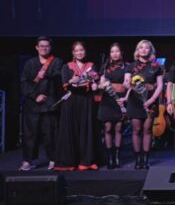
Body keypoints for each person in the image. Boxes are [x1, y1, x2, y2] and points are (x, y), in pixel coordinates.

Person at [19, 36, 63, 171]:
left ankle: (53, 159)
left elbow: (59, 78)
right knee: (30, 134)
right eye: (41, 46)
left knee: (50, 134)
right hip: (32, 104)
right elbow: (24, 82)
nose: (44, 48)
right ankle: (28, 160)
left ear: (51, 47)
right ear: (37, 48)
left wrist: (46, 75)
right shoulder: (30, 63)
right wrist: (35, 96)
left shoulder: (57, 62)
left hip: (49, 104)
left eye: (47, 46)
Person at [53, 41, 97, 171]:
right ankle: (69, 162)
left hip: (86, 101)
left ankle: (86, 161)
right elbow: (65, 83)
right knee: (70, 130)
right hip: (71, 101)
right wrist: (71, 81)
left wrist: (94, 84)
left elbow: (93, 80)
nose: (79, 52)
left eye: (81, 50)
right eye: (76, 50)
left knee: (86, 130)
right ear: (73, 53)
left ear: (85, 51)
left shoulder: (91, 66)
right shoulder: (67, 66)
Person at [124, 39, 163, 169]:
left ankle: (145, 160)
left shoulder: (156, 66)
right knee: (136, 130)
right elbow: (126, 82)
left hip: (150, 101)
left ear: (150, 50)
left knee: (147, 130)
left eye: (146, 48)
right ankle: (137, 159)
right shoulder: (131, 66)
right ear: (137, 50)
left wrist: (151, 100)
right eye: (141, 48)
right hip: (134, 101)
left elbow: (160, 86)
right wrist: (127, 84)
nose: (144, 50)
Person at [97, 43, 128, 169]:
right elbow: (100, 84)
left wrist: (124, 96)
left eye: (117, 51)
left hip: (120, 99)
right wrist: (101, 85)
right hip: (107, 100)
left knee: (119, 128)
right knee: (108, 128)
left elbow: (127, 84)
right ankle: (110, 157)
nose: (115, 54)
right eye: (112, 52)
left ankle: (117, 157)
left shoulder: (127, 66)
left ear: (121, 53)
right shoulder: (105, 66)